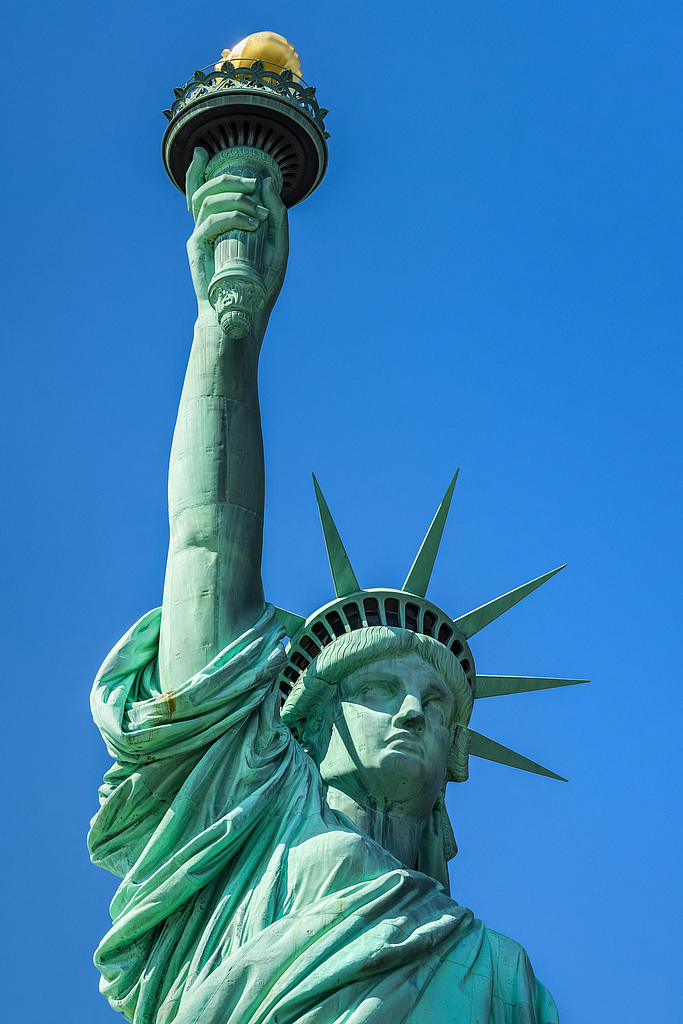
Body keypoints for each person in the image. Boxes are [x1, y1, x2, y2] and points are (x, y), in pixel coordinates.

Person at [89, 148, 559, 1023]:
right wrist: (226, 325)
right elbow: (205, 540)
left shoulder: (501, 976)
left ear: (458, 752)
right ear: (307, 715)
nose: (414, 711)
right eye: (381, 686)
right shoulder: (242, 822)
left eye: (437, 702)